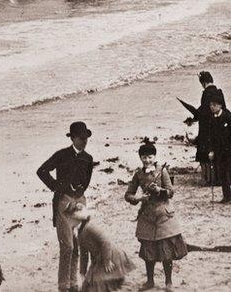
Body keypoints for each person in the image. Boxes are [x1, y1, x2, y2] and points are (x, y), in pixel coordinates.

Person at [37, 122, 96, 292]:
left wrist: (80, 191)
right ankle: (63, 286)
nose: (84, 141)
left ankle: (73, 284)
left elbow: (86, 181)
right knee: (67, 247)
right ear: (73, 138)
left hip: (80, 203)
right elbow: (41, 171)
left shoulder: (88, 158)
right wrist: (58, 187)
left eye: (86, 138)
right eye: (81, 138)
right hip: (63, 204)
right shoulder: (61, 155)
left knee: (77, 246)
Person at [124, 142, 188, 290]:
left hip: (164, 214)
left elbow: (171, 192)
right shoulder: (138, 174)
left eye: (150, 157)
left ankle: (168, 282)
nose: (147, 160)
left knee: (167, 251)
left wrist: (159, 190)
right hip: (146, 216)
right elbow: (128, 194)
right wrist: (139, 199)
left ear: (155, 157)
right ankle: (150, 281)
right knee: (148, 252)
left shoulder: (163, 171)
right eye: (144, 157)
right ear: (140, 157)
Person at [60, 202, 136, 292]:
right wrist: (82, 271)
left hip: (110, 256)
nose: (68, 221)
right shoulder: (79, 232)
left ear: (75, 217)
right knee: (87, 287)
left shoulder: (90, 227)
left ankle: (122, 284)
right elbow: (84, 253)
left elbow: (105, 241)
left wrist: (107, 261)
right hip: (98, 259)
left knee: (99, 285)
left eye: (69, 218)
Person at [206, 89, 231, 204]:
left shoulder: (228, 117)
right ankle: (226, 196)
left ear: (220, 105)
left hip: (230, 149)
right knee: (222, 173)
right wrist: (211, 150)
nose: (212, 107)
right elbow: (210, 136)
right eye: (211, 105)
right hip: (218, 150)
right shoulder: (211, 118)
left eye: (214, 105)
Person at [192, 71, 219, 185]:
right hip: (217, 125)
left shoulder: (206, 93)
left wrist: (194, 116)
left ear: (203, 83)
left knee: (204, 153)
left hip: (206, 126)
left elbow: (203, 110)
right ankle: (216, 177)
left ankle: (207, 178)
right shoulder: (218, 92)